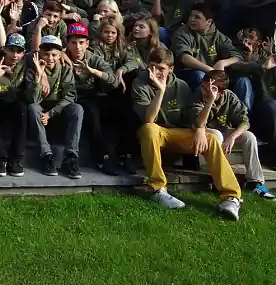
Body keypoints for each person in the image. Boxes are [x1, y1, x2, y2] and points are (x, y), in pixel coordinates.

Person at [131, 48, 242, 220]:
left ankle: (231, 197)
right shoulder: (140, 84)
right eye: (152, 66)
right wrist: (160, 90)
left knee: (211, 139)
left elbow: (193, 115)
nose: (156, 72)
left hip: (179, 133)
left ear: (171, 69)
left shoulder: (181, 86)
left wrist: (200, 130)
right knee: (149, 129)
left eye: (161, 68)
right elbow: (149, 119)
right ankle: (157, 189)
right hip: (155, 133)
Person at [190, 70, 274, 199]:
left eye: (211, 89)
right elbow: (199, 123)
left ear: (221, 92)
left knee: (249, 137)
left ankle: (255, 183)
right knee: (216, 135)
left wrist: (232, 137)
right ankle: (220, 181)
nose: (204, 92)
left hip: (223, 130)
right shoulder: (197, 95)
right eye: (203, 87)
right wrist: (210, 100)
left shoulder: (229, 96)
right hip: (200, 131)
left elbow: (245, 121)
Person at [63, 23, 121, 175]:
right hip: (72, 98)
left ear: (87, 44)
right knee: (91, 111)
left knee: (117, 108)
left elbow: (114, 81)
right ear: (67, 43)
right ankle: (102, 157)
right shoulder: (61, 57)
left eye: (81, 42)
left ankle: (121, 155)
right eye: (73, 42)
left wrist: (93, 72)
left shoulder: (94, 59)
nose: (78, 47)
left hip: (93, 95)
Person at [26, 35, 82, 179]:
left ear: (60, 55)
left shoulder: (65, 69)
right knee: (33, 108)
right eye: (46, 54)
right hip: (40, 110)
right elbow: (33, 99)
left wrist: (51, 113)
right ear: (40, 53)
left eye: (54, 55)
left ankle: (71, 156)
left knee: (77, 109)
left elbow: (70, 96)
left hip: (58, 110)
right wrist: (39, 76)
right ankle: (46, 155)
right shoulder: (32, 70)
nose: (50, 58)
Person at [0, 33, 29, 177]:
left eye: (19, 51)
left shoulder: (25, 66)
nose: (15, 55)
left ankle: (15, 159)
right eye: (11, 50)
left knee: (23, 107)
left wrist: (42, 76)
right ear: (5, 49)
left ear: (23, 53)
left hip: (13, 105)